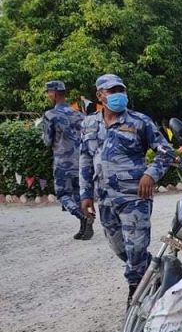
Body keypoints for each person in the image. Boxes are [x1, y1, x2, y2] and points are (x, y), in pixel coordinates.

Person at [79, 74, 173, 306]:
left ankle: (136, 294)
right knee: (120, 247)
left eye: (121, 90)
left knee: (136, 246)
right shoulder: (89, 123)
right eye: (112, 91)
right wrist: (85, 194)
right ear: (99, 95)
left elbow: (166, 151)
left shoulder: (140, 121)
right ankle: (151, 270)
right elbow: (84, 159)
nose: (118, 94)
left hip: (135, 197)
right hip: (105, 198)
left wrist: (150, 174)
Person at [41, 80, 92, 240]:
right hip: (81, 162)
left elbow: (47, 141)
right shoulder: (79, 114)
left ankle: (82, 217)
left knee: (63, 194)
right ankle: (84, 227)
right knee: (79, 195)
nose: (48, 95)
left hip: (63, 162)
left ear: (54, 94)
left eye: (49, 93)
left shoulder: (50, 115)